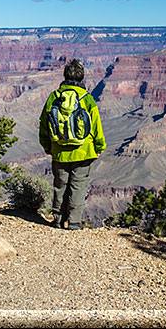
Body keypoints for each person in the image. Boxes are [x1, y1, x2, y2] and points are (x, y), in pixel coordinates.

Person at [38, 58, 106, 230]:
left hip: (59, 150)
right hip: (83, 151)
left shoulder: (54, 97)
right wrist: (99, 147)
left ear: (65, 76)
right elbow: (96, 125)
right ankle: (74, 222)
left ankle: (58, 220)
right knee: (78, 186)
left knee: (60, 185)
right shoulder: (87, 99)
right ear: (82, 78)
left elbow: (44, 124)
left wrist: (47, 146)